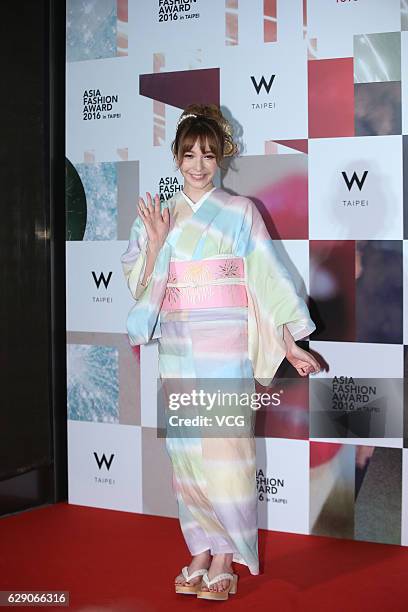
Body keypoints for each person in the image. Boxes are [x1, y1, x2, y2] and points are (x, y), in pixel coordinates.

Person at [121, 104, 320, 601]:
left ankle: (227, 553)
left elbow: (268, 279)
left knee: (228, 452)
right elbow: (139, 286)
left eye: (209, 155)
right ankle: (201, 547)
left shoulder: (240, 212)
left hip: (225, 347)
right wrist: (157, 244)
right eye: (189, 154)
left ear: (221, 158)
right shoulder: (159, 214)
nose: (198, 164)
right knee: (186, 454)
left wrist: (288, 341)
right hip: (178, 347)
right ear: (175, 156)